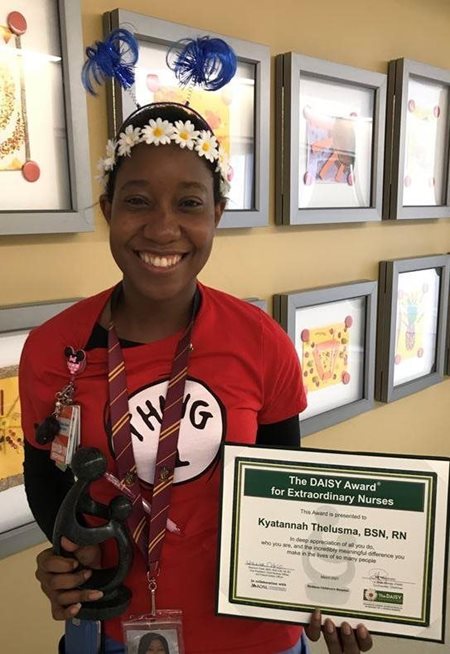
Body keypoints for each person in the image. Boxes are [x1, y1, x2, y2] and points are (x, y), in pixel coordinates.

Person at [20, 99, 373, 654]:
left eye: (189, 203)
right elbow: (44, 475)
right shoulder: (51, 348)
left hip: (256, 636)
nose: (163, 228)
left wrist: (336, 589)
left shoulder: (263, 343)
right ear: (109, 209)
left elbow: (289, 491)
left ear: (217, 214)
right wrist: (65, 553)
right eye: (137, 201)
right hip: (111, 627)